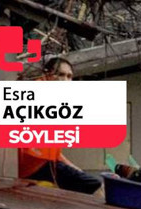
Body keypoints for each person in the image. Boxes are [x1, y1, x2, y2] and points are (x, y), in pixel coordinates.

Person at [18, 58, 102, 195]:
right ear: (47, 75)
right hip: (34, 166)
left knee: (90, 182)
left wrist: (73, 167)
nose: (65, 80)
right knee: (94, 185)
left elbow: (54, 152)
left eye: (69, 76)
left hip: (45, 164)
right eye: (61, 74)